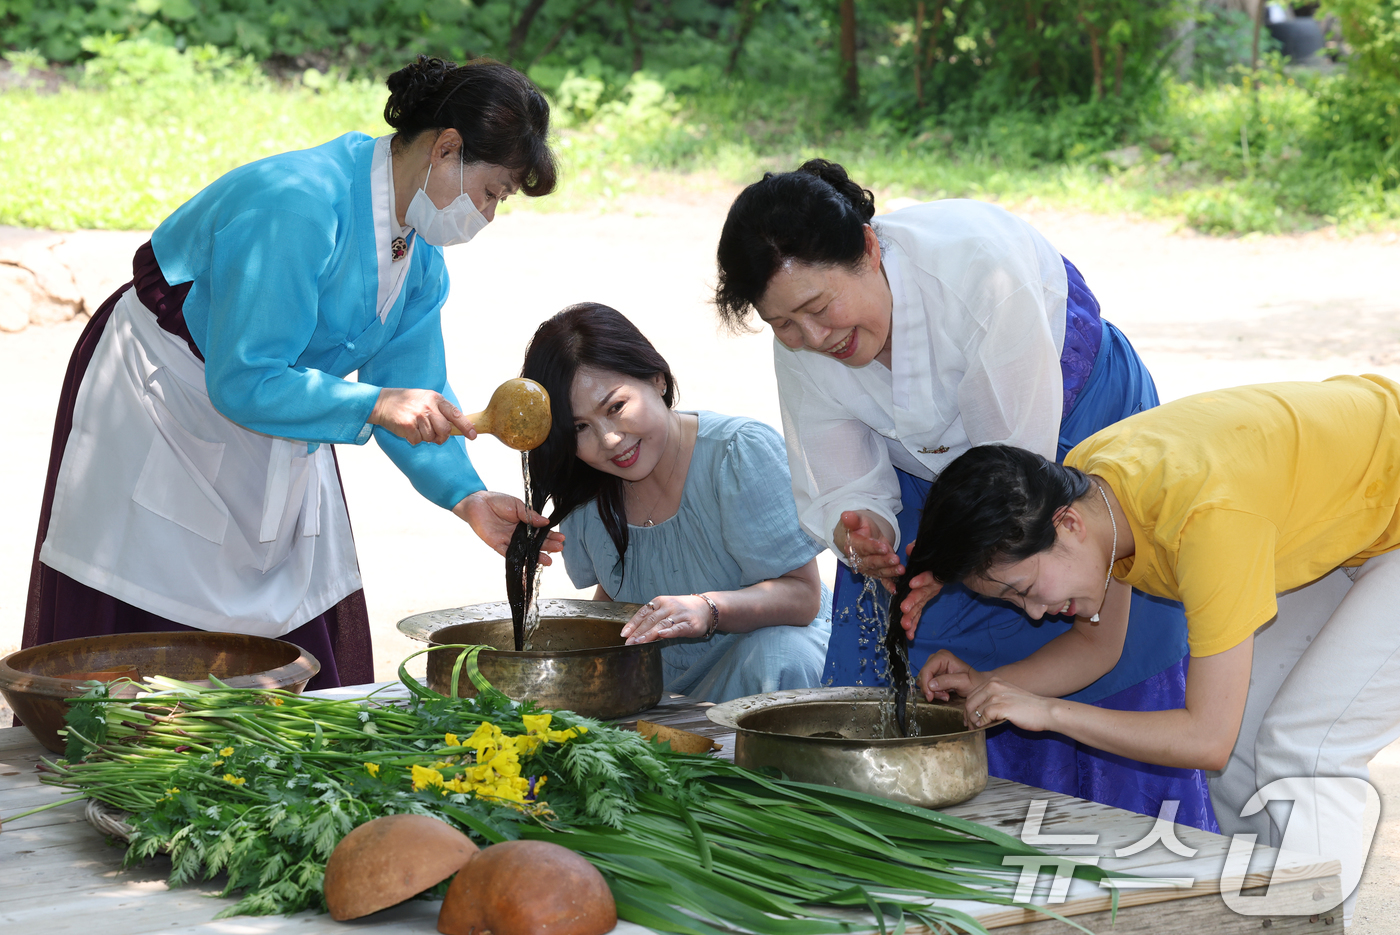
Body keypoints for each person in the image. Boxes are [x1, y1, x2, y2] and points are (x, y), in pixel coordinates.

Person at [22, 56, 563, 690]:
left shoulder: (419, 256)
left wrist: (466, 497)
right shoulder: (297, 204)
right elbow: (247, 379)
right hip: (167, 392)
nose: (488, 215)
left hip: (288, 400)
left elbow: (417, 391)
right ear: (447, 149)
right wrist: (370, 404)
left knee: (286, 611)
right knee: (147, 610)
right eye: (492, 193)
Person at [713, 159, 1213, 828]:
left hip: (1060, 441)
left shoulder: (979, 273)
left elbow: (1011, 489)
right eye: (785, 326)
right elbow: (840, 480)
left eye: (817, 309)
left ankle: (1107, 855)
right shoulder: (805, 340)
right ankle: (913, 844)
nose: (812, 338)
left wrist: (942, 563)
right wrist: (864, 531)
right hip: (934, 485)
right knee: (898, 635)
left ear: (868, 248)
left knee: (1071, 611)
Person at [908, 374, 1400, 924]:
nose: (1034, 612)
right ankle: (1266, 921)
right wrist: (991, 686)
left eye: (1024, 590)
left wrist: (1047, 712)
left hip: (1377, 502)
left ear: (1065, 525)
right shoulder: (1093, 490)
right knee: (1246, 752)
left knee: (1305, 751)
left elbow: (1204, 738)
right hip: (1363, 515)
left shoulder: (1206, 522)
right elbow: (1098, 648)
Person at [520, 303, 831, 703]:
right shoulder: (586, 489)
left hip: (761, 670)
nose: (610, 439)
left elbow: (804, 597)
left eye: (616, 407)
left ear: (657, 379)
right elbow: (617, 599)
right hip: (656, 685)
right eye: (580, 428)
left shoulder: (738, 453)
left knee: (782, 655)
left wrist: (709, 609)